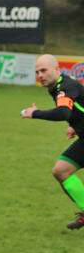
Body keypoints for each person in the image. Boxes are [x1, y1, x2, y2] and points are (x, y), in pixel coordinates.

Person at [21, 54, 84, 229]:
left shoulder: (65, 86)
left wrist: (35, 113)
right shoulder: (57, 87)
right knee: (61, 171)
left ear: (56, 69)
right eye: (37, 72)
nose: (40, 75)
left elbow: (63, 112)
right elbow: (76, 107)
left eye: (44, 70)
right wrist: (76, 125)